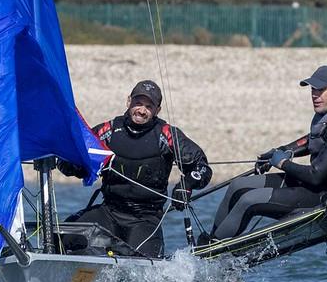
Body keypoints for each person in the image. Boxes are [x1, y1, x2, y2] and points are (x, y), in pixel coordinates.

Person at [208, 65, 327, 241]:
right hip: (315, 185)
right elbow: (315, 138)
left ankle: (211, 252)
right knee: (238, 185)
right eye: (313, 89)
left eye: (321, 90)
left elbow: (315, 175)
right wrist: (284, 150)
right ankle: (209, 240)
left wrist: (282, 163)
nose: (315, 95)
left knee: (249, 200)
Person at [58, 80, 212, 257]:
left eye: (149, 106)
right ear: (128, 101)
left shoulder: (167, 135)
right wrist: (69, 161)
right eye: (138, 103)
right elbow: (73, 161)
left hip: (145, 219)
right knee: (65, 238)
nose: (141, 110)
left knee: (142, 262)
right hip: (109, 212)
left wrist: (187, 183)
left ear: (157, 110)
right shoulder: (108, 130)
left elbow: (202, 167)